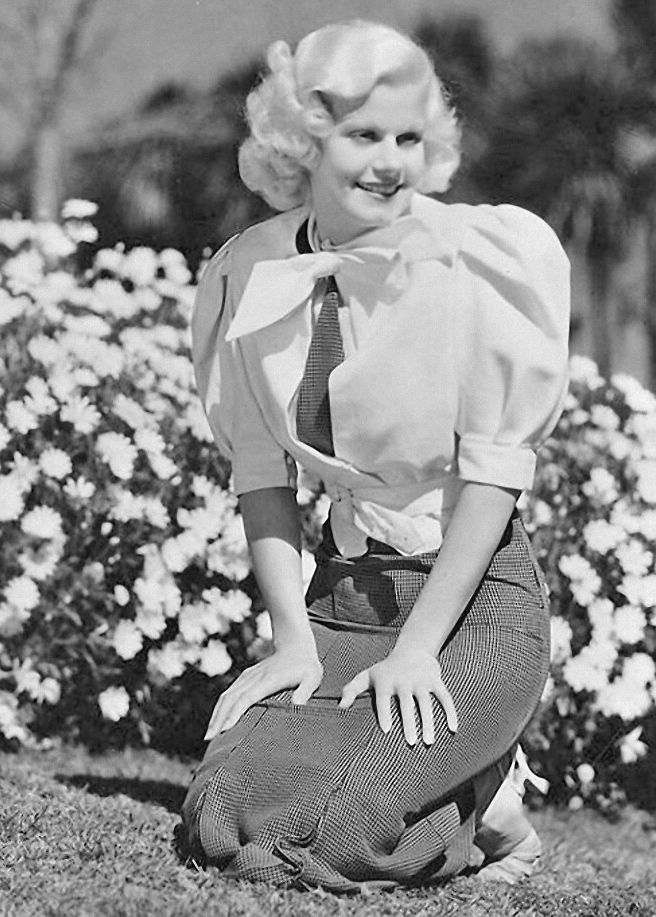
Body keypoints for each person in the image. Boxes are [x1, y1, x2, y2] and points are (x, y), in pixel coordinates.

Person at [182, 20, 570, 892]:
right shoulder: (247, 270)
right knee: (223, 811)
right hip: (344, 597)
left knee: (340, 832)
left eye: (407, 138)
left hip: (472, 604)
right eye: (364, 136)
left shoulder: (480, 259)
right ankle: (461, 784)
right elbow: (262, 474)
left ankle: (491, 802)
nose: (390, 162)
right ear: (303, 140)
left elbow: (491, 479)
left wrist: (419, 649)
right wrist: (291, 641)